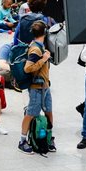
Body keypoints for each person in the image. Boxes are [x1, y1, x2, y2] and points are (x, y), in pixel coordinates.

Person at [19, 21, 54, 154]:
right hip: (36, 88)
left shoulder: (40, 46)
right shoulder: (35, 49)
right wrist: (43, 59)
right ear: (45, 33)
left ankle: (49, 137)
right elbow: (28, 68)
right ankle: (22, 141)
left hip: (44, 86)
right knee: (31, 113)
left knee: (49, 111)